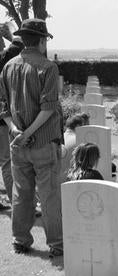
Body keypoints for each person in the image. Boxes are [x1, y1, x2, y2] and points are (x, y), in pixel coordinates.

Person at [0, 18, 63, 256]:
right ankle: (56, 244)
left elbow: (3, 105)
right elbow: (48, 109)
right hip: (43, 142)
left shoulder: (8, 67)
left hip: (16, 142)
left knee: (21, 193)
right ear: (41, 41)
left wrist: (15, 130)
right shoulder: (48, 67)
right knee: (49, 196)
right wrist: (26, 132)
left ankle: (20, 240)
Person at [0, 37, 24, 210]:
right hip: (2, 120)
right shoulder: (6, 61)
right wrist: (14, 38)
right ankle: (16, 203)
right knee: (7, 161)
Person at [60, 114, 85, 182]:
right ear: (78, 126)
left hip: (55, 180)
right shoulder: (79, 141)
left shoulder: (58, 139)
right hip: (71, 180)